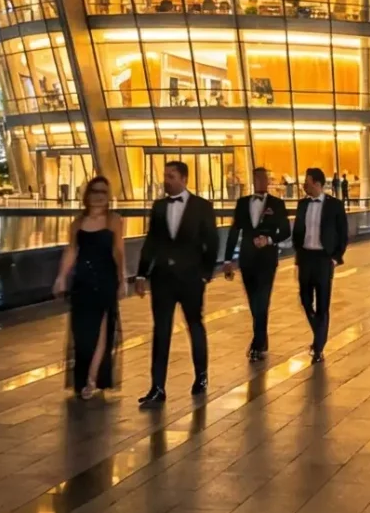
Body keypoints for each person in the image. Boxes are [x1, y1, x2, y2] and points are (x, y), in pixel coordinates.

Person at [134, 159, 217, 408]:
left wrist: (205, 273)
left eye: (171, 176)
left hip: (191, 279)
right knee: (161, 330)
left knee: (195, 325)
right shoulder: (159, 207)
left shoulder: (202, 207)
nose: (166, 180)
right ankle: (157, 387)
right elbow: (151, 241)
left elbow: (212, 241)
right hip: (162, 279)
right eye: (165, 175)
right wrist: (141, 274)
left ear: (183, 179)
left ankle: (201, 376)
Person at [53, 175, 125, 398]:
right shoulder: (77, 222)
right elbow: (71, 250)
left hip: (105, 280)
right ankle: (84, 376)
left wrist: (122, 279)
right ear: (87, 195)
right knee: (82, 333)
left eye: (104, 192)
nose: (99, 196)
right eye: (95, 191)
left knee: (102, 331)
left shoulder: (114, 220)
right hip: (82, 282)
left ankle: (92, 379)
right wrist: (61, 277)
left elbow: (118, 251)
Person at [223, 166, 289, 363]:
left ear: (267, 181)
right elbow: (234, 231)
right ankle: (261, 337)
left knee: (262, 300)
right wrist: (227, 260)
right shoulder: (243, 203)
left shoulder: (277, 204)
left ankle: (257, 343)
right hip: (247, 259)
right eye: (257, 178)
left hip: (267, 259)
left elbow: (286, 231)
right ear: (253, 180)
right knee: (253, 301)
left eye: (263, 178)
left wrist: (268, 240)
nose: (261, 181)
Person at [291, 167, 349, 362]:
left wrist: (335, 257)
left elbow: (343, 233)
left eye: (306, 183)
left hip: (324, 259)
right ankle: (319, 332)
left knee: (323, 303)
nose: (304, 186)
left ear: (317, 184)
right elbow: (298, 231)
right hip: (306, 257)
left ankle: (318, 348)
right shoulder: (302, 204)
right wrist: (298, 253)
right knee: (305, 300)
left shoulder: (335, 205)